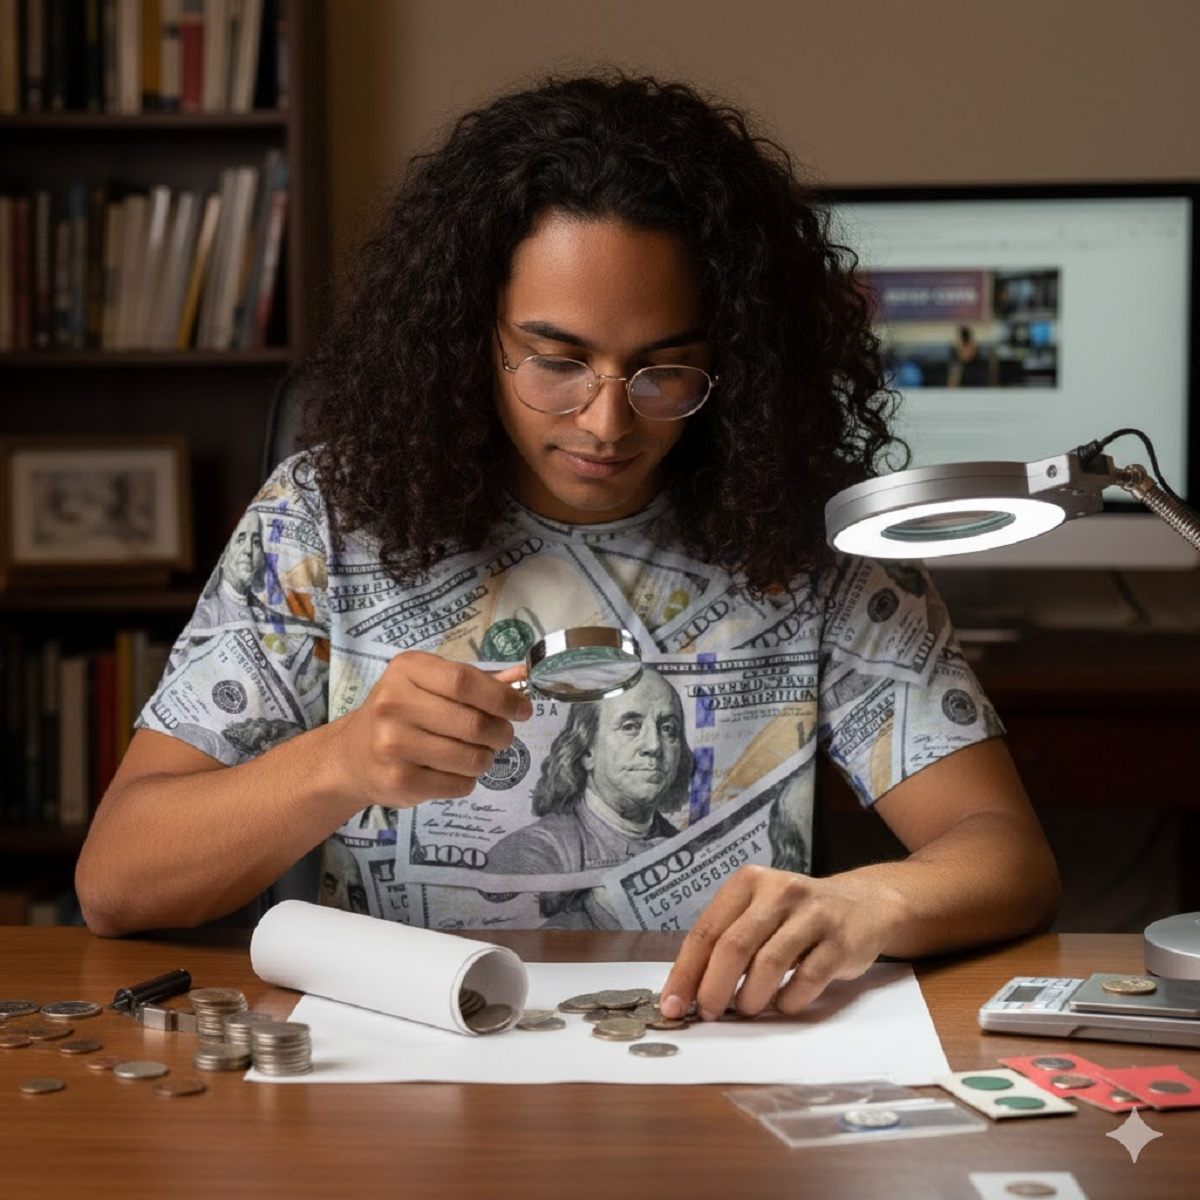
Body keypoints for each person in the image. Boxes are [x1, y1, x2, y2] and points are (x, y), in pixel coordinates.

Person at [75, 71, 1060, 1024]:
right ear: (473, 337)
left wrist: (872, 905)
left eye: (664, 371)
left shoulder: (822, 535)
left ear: (735, 356)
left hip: (715, 1066)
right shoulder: (321, 517)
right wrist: (339, 764)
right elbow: (117, 884)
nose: (605, 422)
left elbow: (1004, 853)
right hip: (395, 1070)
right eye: (557, 360)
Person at [488, 668, 693, 929]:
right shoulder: (532, 852)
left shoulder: (684, 847)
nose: (654, 745)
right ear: (587, 751)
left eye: (668, 729)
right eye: (630, 726)